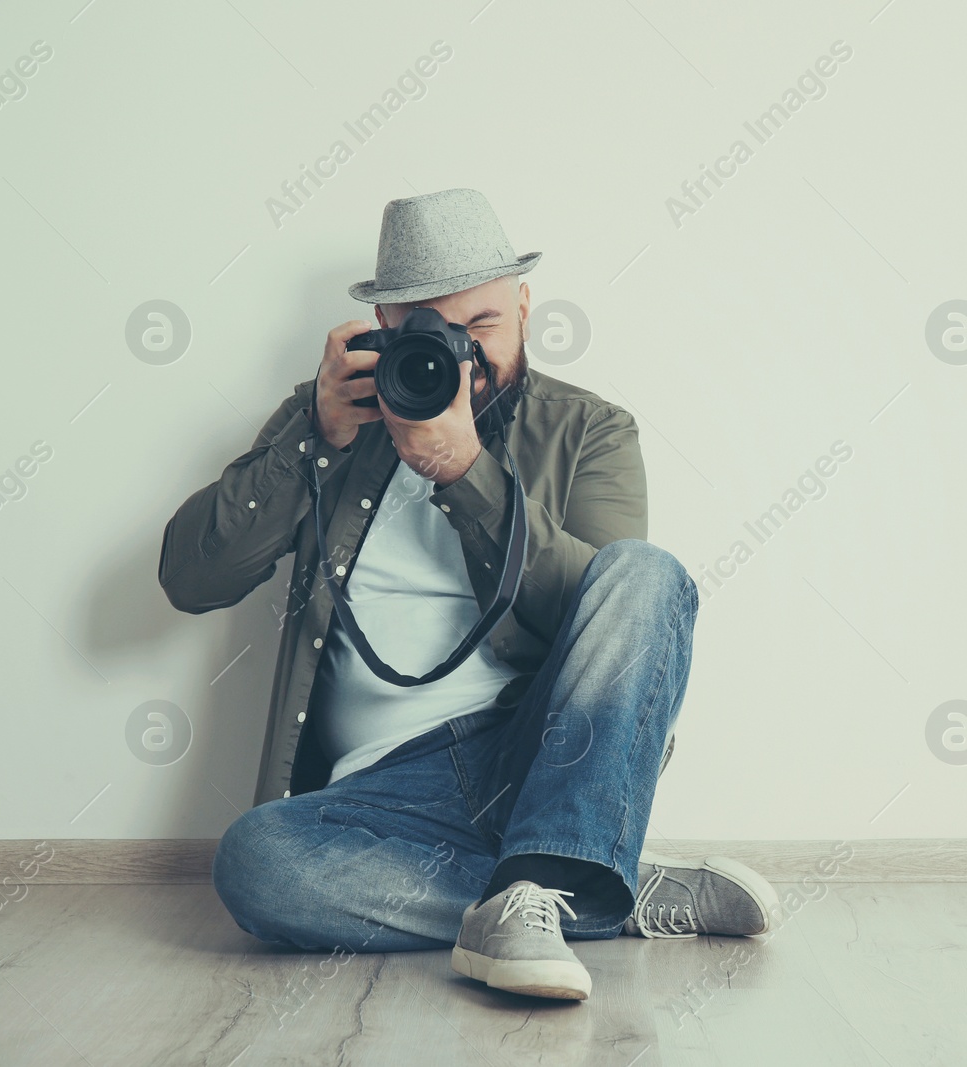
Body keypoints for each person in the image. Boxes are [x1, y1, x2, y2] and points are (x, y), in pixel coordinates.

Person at [158, 188, 778, 1001]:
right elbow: (191, 578)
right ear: (384, 330)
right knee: (254, 863)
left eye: (480, 326)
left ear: (525, 307)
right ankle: (579, 884)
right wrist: (312, 431)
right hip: (377, 799)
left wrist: (464, 471)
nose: (460, 354)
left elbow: (611, 621)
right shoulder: (331, 424)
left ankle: (556, 867)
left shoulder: (590, 429)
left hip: (537, 754)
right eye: (430, 333)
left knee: (646, 569)